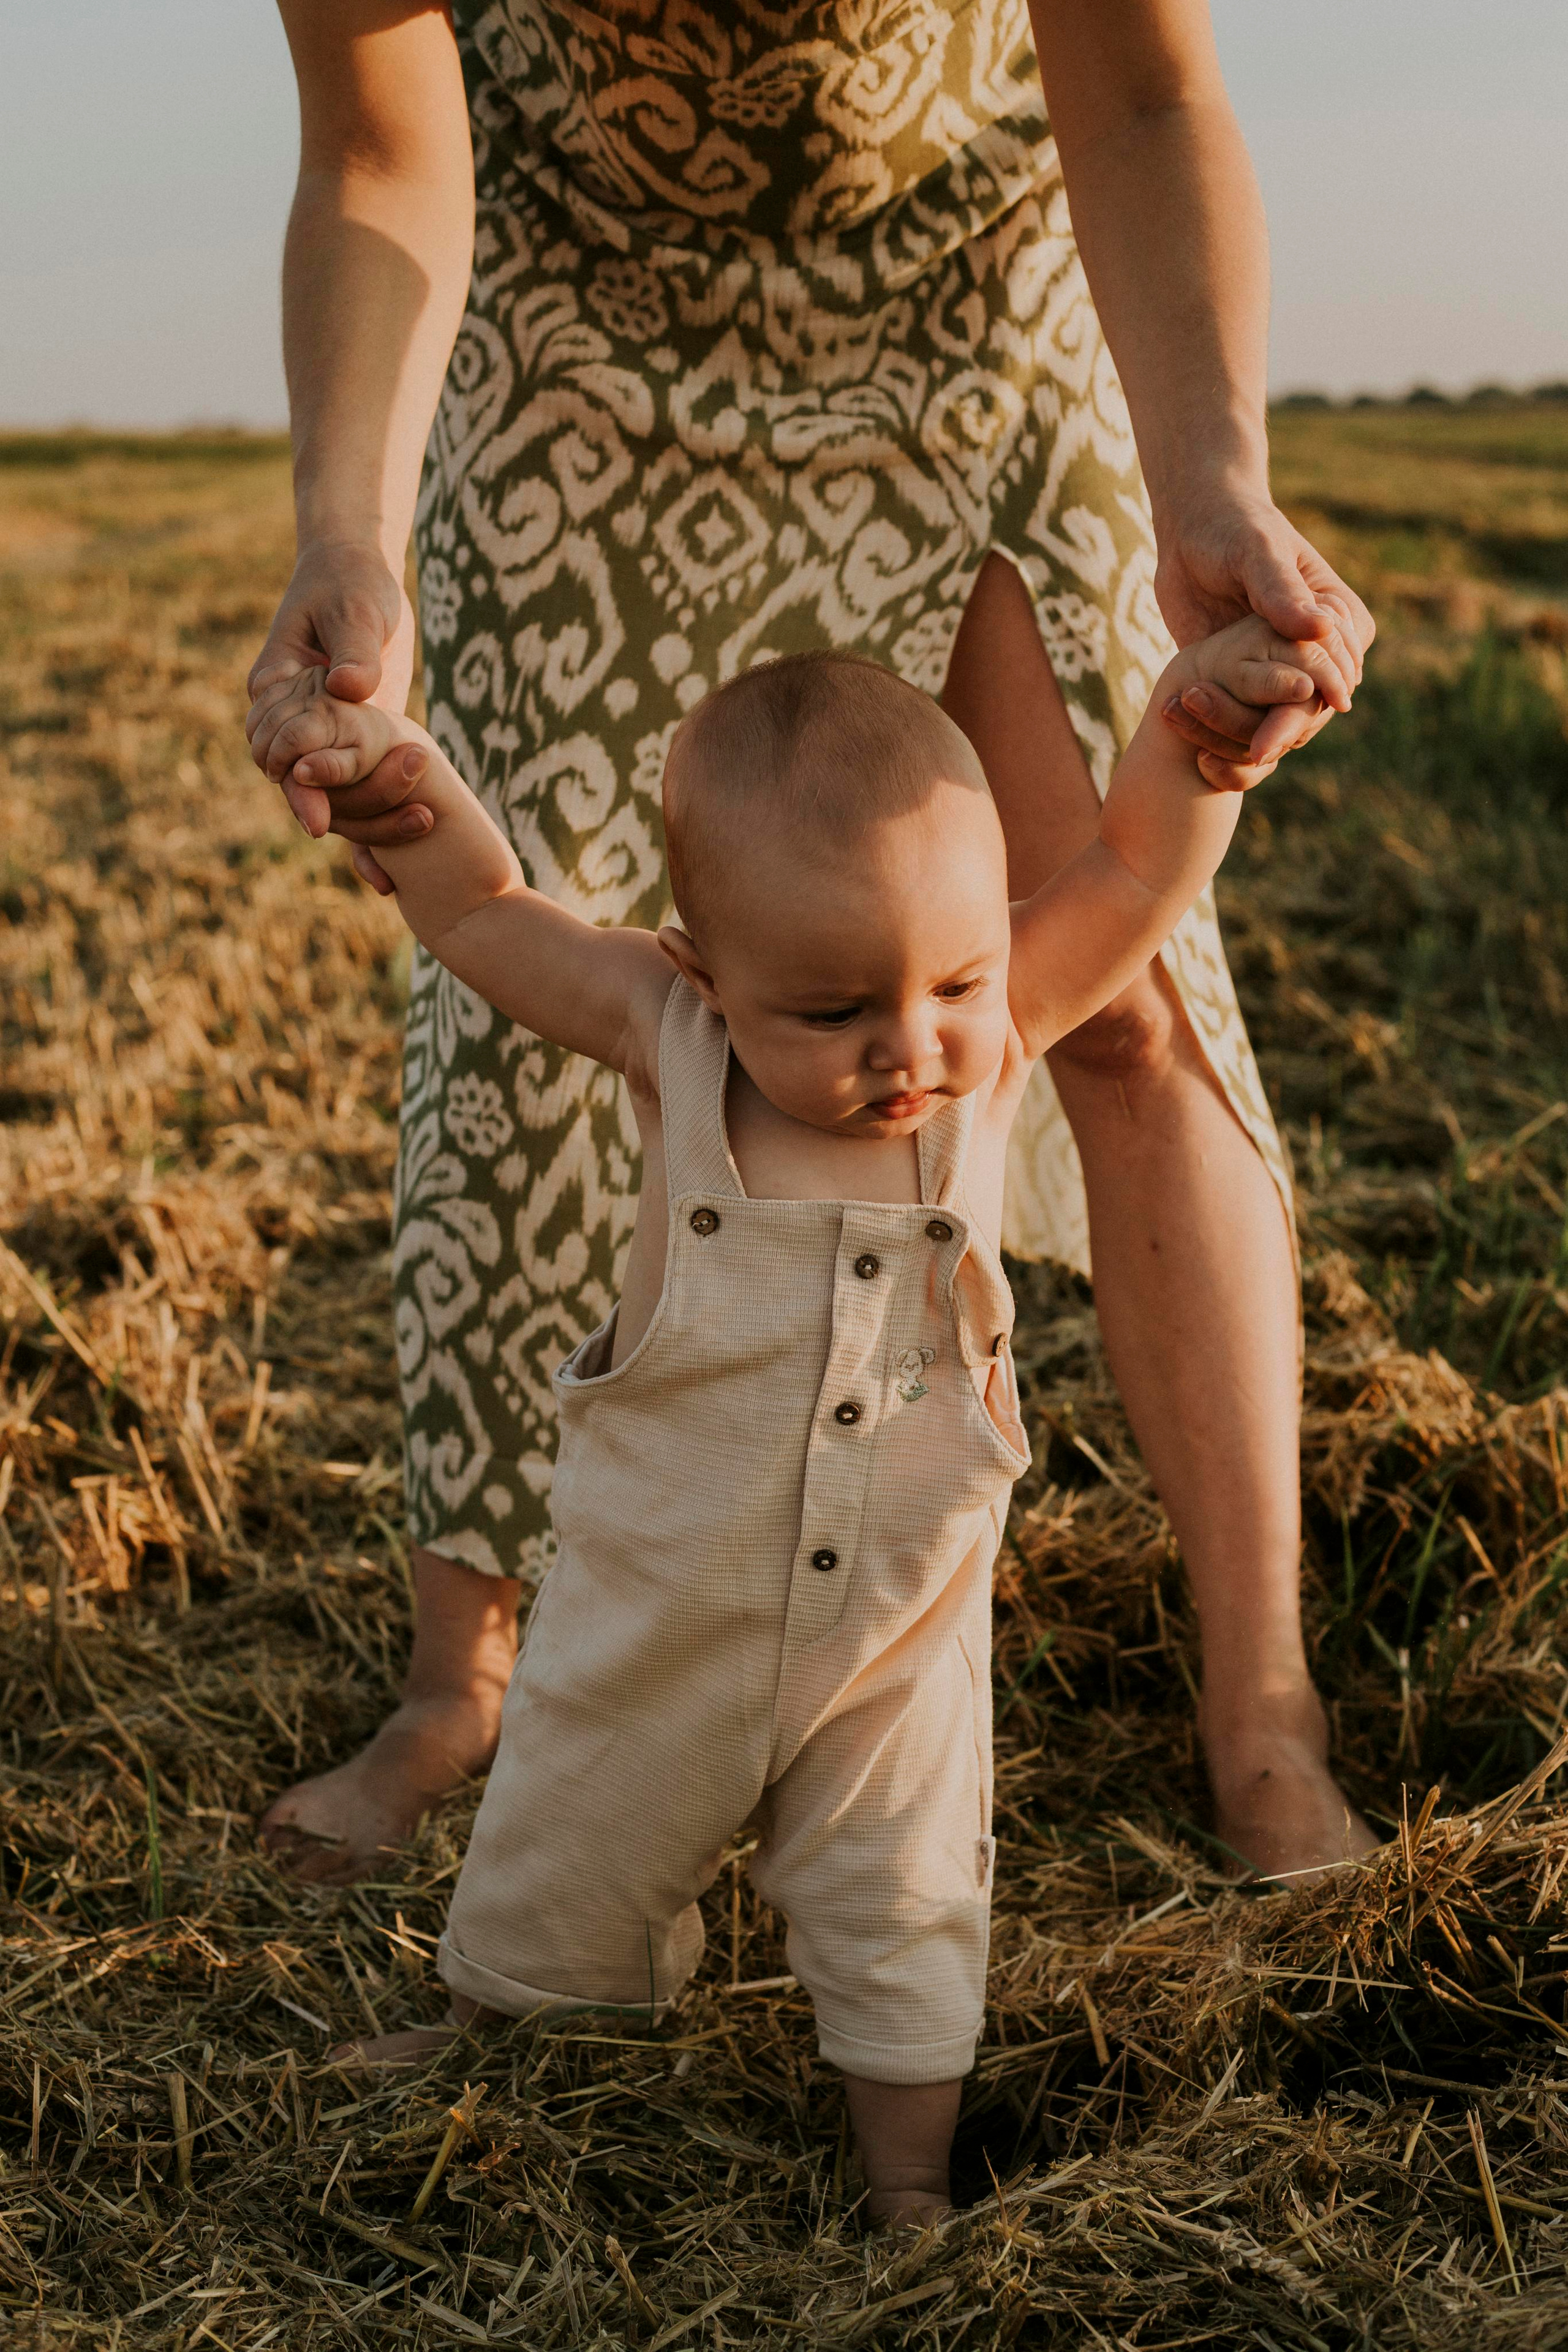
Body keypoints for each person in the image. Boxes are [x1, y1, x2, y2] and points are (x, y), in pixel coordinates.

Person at [247, 0, 1376, 1887]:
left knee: (1118, 1010)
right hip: (584, 332)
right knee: (550, 1019)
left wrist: (1213, 484)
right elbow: (378, 141)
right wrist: (349, 531)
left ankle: (1265, 1718)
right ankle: (472, 1672)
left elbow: (1155, 83)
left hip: (976, 302)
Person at [247, 614, 1335, 2223]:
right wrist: (408, 797)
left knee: (909, 1917)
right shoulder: (663, 1035)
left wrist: (1196, 750)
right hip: (660, 1605)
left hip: (898, 1633)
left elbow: (1129, 878)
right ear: (707, 974)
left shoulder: (990, 1038)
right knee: (563, 1855)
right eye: (833, 1012)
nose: (912, 1048)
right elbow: (487, 912)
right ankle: (478, 2038)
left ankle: (905, 2181)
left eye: (955, 981)